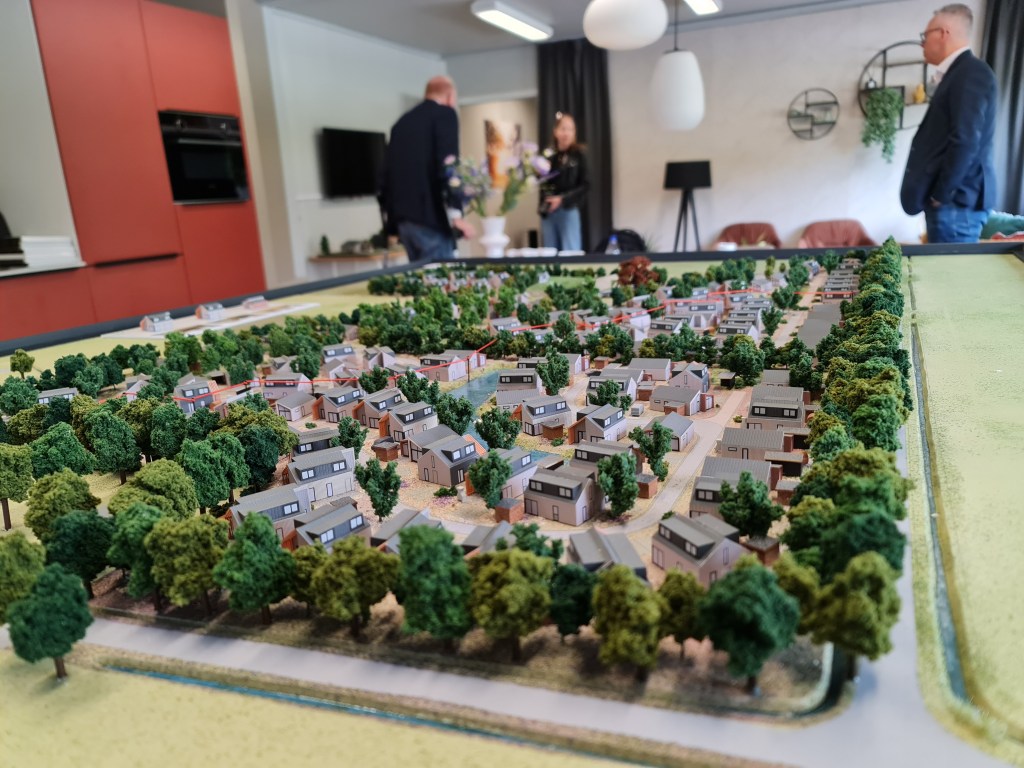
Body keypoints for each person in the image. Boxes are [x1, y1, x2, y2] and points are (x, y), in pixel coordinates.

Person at [900, 4, 997, 243]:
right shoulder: (960, 73)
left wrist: (942, 195)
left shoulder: (969, 73)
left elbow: (966, 140)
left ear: (943, 33)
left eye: (925, 36)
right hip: (953, 205)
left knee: (950, 268)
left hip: (955, 205)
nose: (922, 43)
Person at [381, 76, 473, 263]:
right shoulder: (445, 114)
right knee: (441, 278)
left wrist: (391, 223)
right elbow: (448, 166)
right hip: (431, 220)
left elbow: (385, 176)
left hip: (404, 222)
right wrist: (456, 215)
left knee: (420, 277)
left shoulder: (401, 123)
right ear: (450, 96)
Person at [539, 113, 590, 252]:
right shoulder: (549, 155)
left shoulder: (579, 155)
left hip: (568, 208)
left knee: (570, 251)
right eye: (563, 129)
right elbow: (542, 183)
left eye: (570, 129)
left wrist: (562, 199)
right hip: (548, 210)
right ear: (555, 131)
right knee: (549, 253)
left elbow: (585, 184)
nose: (566, 133)